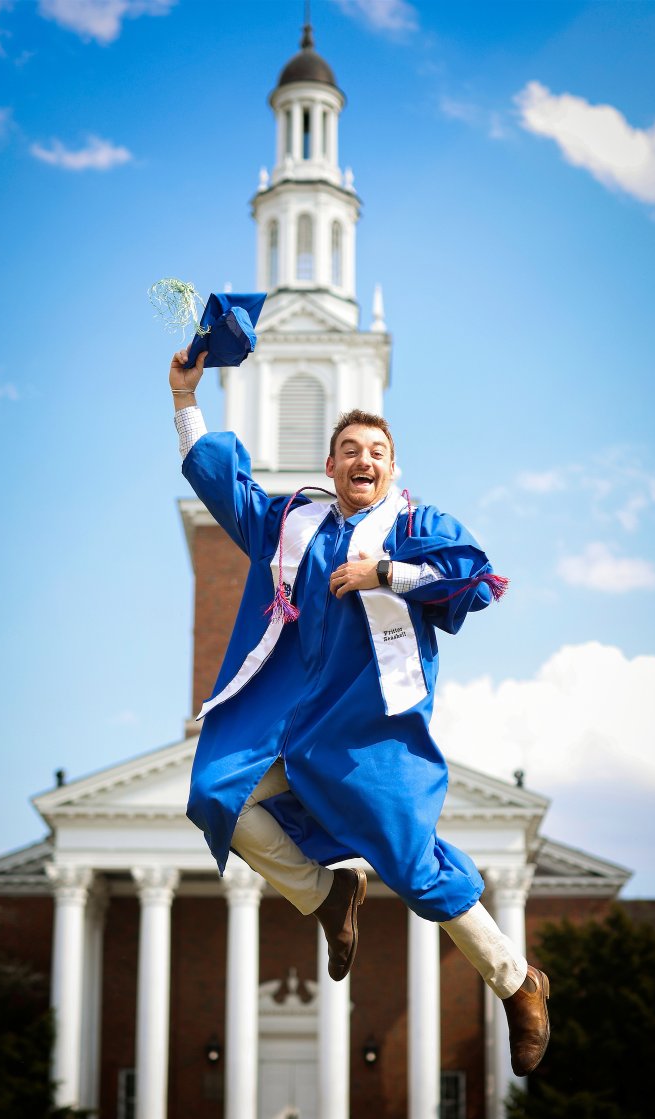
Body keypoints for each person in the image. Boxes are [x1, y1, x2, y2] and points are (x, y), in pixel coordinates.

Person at [170, 348, 550, 1076]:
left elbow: (474, 578)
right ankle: (328, 891)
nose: (362, 460)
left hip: (373, 736)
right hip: (298, 728)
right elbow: (228, 490)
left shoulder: (413, 525)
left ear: (392, 466)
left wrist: (385, 573)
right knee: (215, 793)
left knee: (414, 869)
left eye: (376, 451)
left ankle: (517, 982)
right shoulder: (296, 525)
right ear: (331, 464)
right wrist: (186, 398)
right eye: (349, 450)